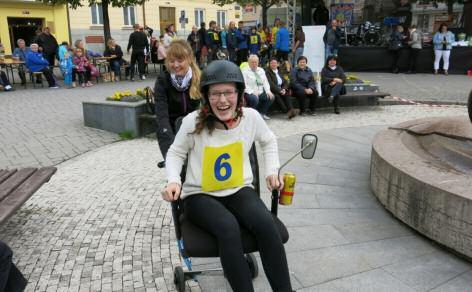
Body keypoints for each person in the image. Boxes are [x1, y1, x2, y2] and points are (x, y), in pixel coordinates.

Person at [163, 59, 294, 292]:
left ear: (239, 94)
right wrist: (174, 180)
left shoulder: (251, 117)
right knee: (227, 227)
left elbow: (269, 141)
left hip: (238, 190)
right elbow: (175, 153)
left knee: (266, 224)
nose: (222, 101)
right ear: (206, 96)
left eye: (228, 93)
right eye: (215, 94)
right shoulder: (192, 122)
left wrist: (272, 170)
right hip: (200, 195)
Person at [154, 39, 202, 163]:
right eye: (171, 61)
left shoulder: (199, 79)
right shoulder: (162, 81)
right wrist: (173, 149)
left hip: (194, 129)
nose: (175, 65)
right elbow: (161, 114)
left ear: (189, 59)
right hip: (170, 129)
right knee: (176, 168)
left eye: (180, 60)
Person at [241, 54, 274, 120]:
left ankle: (262, 113)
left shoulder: (261, 70)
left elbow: (265, 82)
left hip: (260, 91)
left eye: (256, 62)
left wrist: (268, 91)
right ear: (248, 62)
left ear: (258, 62)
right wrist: (252, 92)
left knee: (271, 97)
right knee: (254, 99)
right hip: (249, 92)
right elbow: (244, 84)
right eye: (252, 62)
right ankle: (253, 117)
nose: (254, 64)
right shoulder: (244, 71)